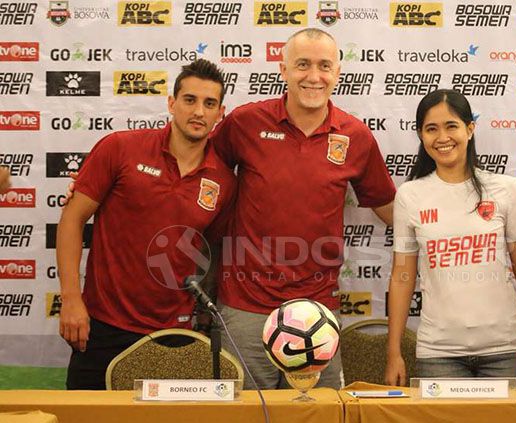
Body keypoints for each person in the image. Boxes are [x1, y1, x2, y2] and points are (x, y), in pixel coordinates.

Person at [209, 28, 396, 389]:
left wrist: (449, 222)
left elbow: (387, 206)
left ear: (337, 73)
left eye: (324, 66)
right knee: (247, 415)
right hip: (246, 306)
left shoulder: (355, 136)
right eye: (302, 65)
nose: (314, 76)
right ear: (283, 70)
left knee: (318, 413)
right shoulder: (246, 123)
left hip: (317, 311)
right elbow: (197, 170)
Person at [57, 59, 236, 389]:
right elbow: (72, 218)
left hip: (174, 333)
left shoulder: (223, 181)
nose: (199, 111)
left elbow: (211, 252)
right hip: (103, 325)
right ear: (171, 103)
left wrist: (201, 319)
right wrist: (70, 299)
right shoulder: (121, 149)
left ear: (220, 113)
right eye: (189, 100)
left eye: (209, 103)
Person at [384, 89, 516, 387]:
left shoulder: (506, 189)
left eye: (451, 126)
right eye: (431, 129)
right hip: (438, 354)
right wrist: (393, 352)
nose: (442, 137)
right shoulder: (410, 195)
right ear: (421, 136)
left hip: (508, 349)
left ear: (470, 129)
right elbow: (402, 276)